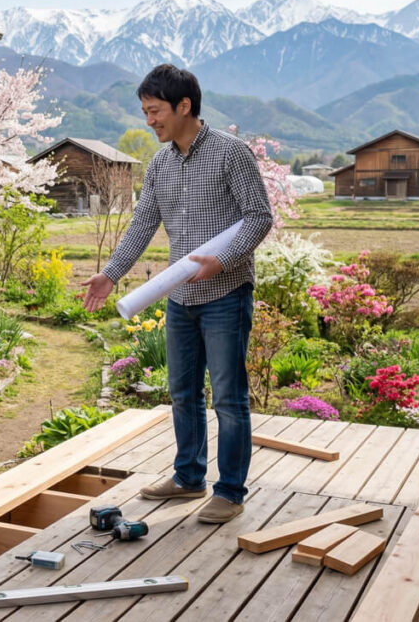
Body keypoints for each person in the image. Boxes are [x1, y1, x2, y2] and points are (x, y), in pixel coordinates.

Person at [82, 64, 272, 524]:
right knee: (183, 392)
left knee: (229, 398)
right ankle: (189, 478)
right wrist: (110, 274)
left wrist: (223, 261)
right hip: (180, 299)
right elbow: (143, 224)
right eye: (146, 111)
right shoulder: (161, 164)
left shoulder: (231, 153)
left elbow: (258, 216)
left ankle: (230, 491)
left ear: (184, 106)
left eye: (155, 111)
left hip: (226, 293)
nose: (150, 120)